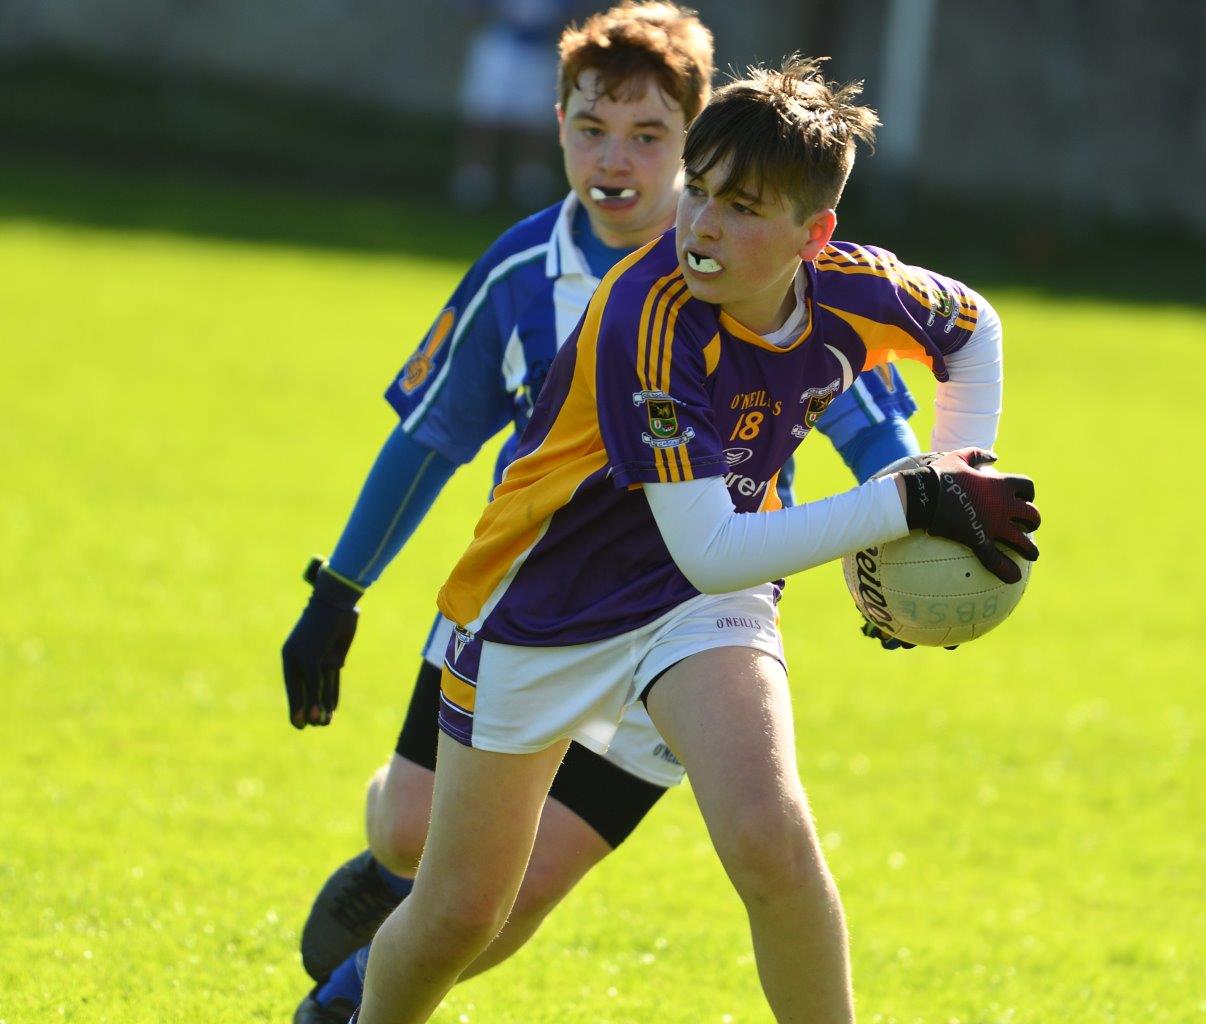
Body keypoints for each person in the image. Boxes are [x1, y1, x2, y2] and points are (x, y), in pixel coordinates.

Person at [342, 58, 1040, 1024]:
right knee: (462, 911)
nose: (703, 225)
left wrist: (960, 475)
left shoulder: (859, 289)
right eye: (700, 193)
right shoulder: (647, 312)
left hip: (698, 604)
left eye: (744, 207)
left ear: (815, 234)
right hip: (541, 601)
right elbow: (709, 542)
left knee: (769, 838)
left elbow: (974, 329)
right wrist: (917, 502)